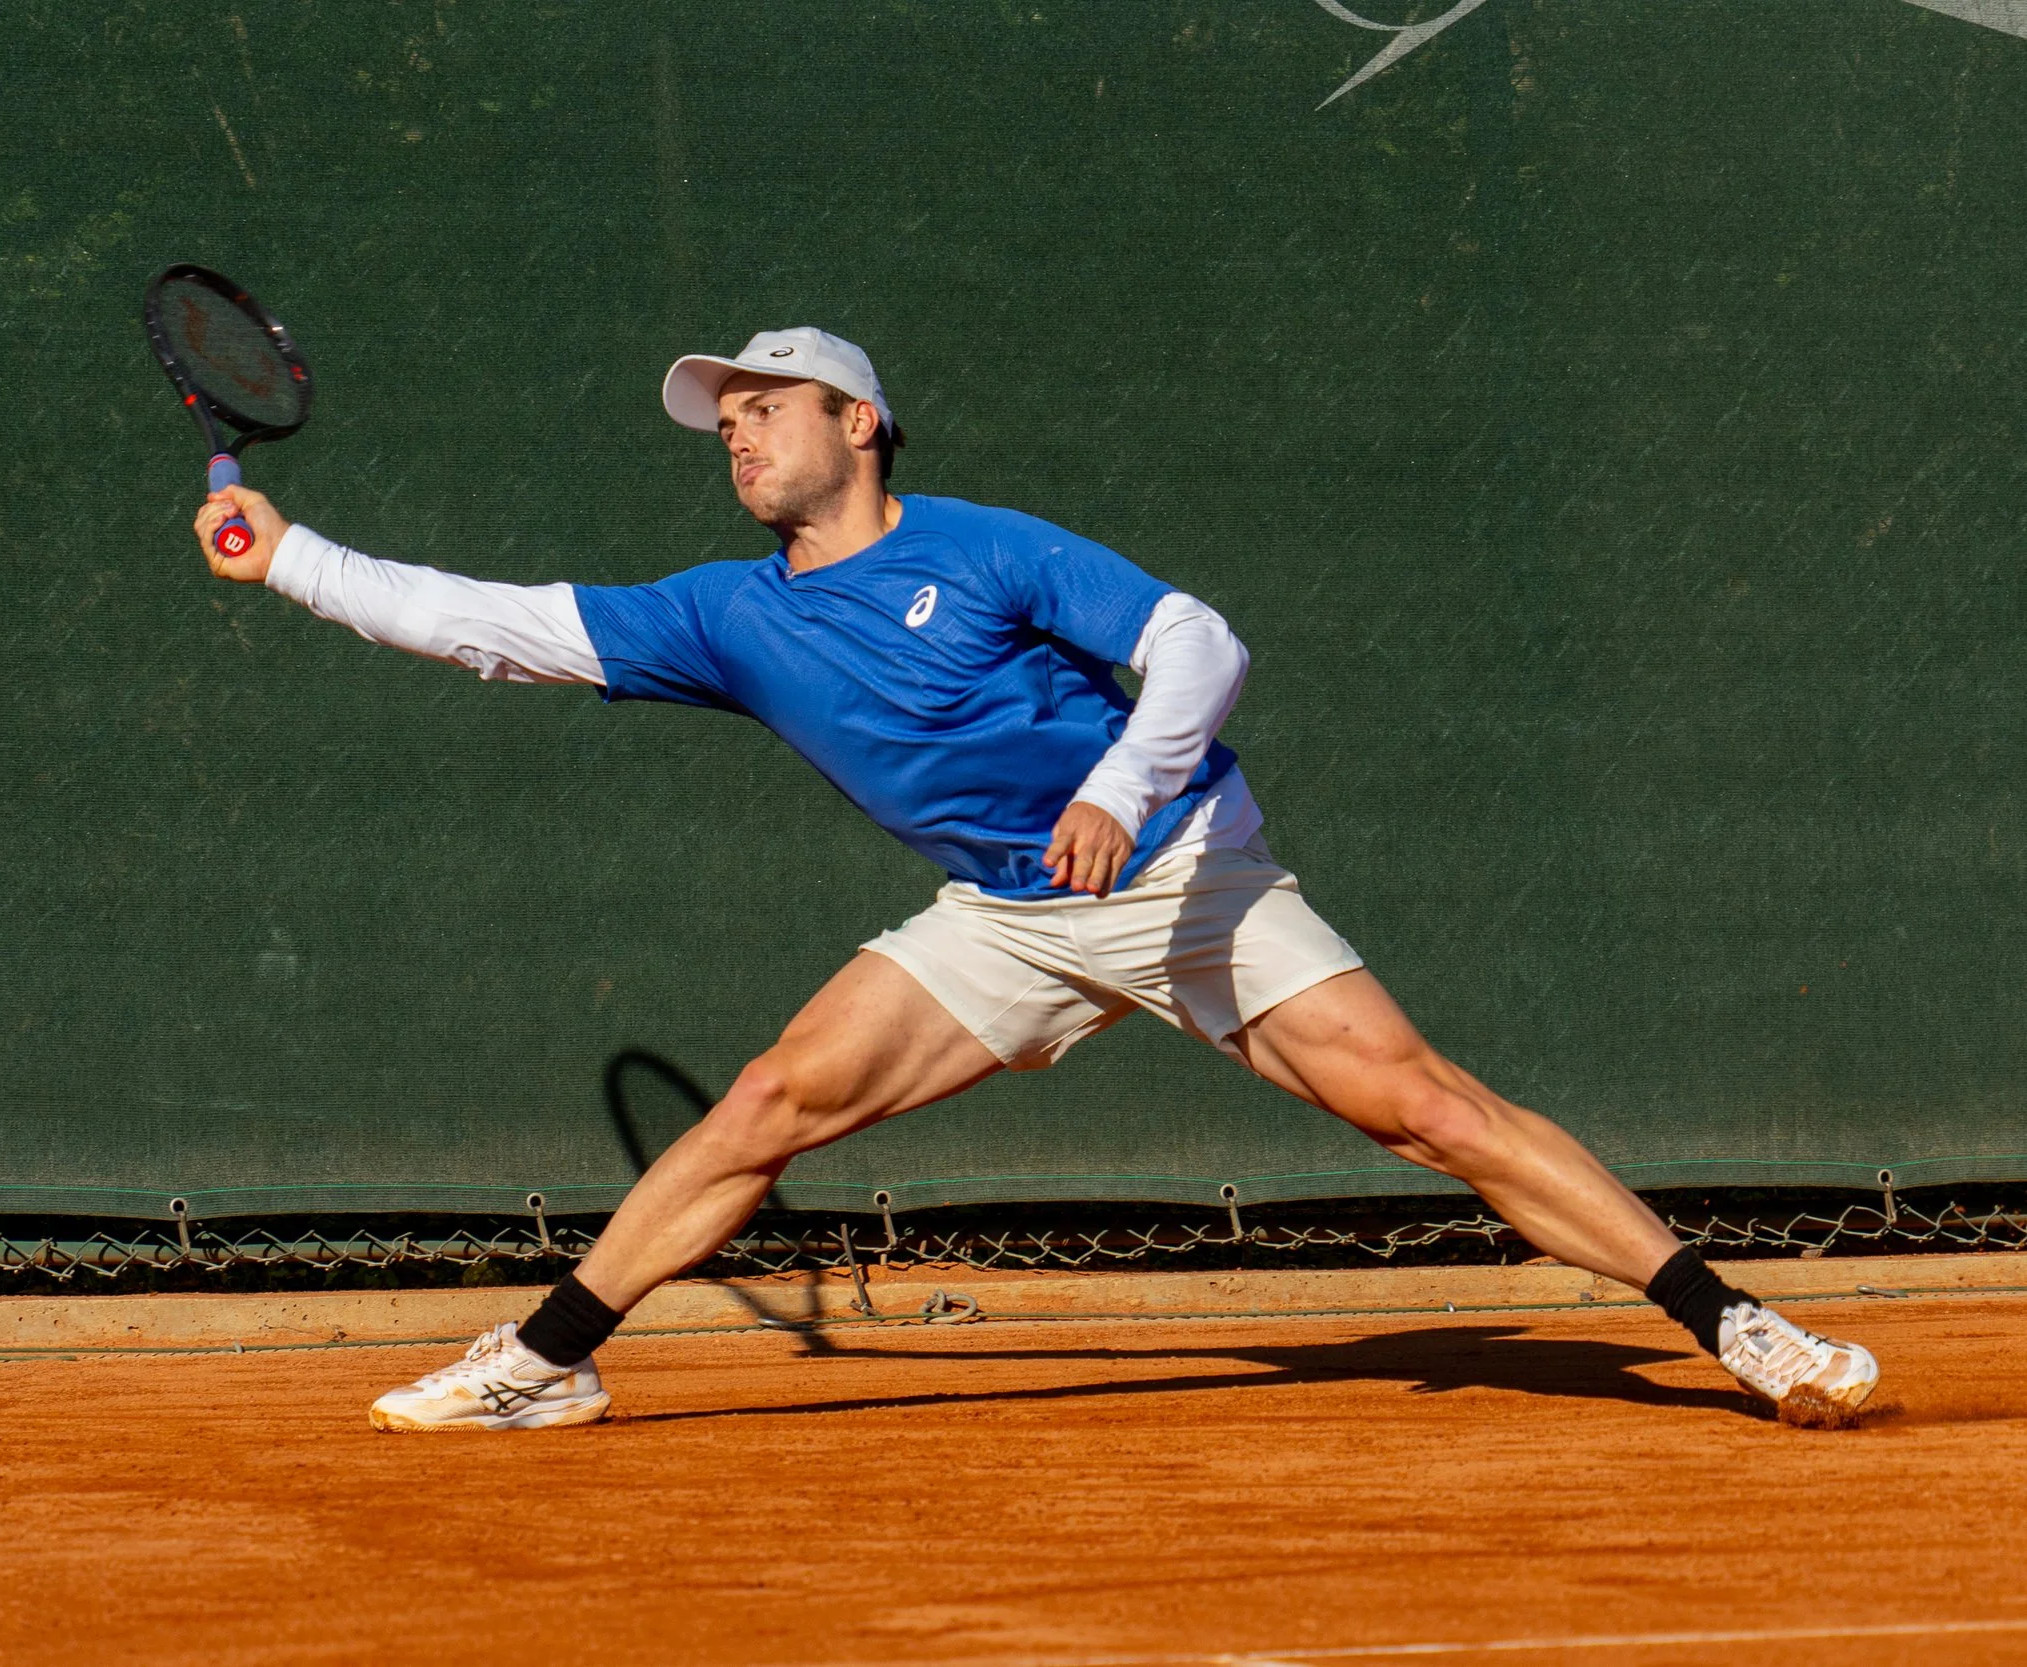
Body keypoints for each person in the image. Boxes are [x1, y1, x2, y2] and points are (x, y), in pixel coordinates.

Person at [192, 328, 1880, 1431]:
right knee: (770, 1099)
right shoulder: (727, 610)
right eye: (727, 421)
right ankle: (545, 1365)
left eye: (766, 410)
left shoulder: (983, 546)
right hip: (1005, 913)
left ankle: (1740, 1327)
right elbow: (490, 624)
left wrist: (1117, 783)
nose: (739, 438)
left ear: (857, 422)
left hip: (1183, 870)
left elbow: (1198, 644)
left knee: (1428, 1112)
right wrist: (296, 563)